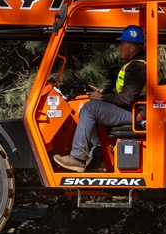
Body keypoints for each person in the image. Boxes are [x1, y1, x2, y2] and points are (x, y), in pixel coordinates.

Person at [54, 25, 146, 172]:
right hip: (132, 110)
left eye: (122, 43)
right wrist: (102, 91)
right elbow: (125, 92)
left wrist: (102, 97)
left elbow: (127, 99)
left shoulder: (137, 67)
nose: (119, 47)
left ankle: (77, 158)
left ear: (132, 47)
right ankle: (98, 156)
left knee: (90, 109)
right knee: (92, 106)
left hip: (135, 113)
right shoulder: (136, 65)